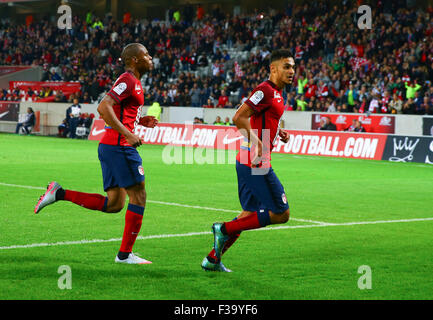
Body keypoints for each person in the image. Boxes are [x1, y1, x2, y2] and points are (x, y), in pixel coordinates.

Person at [34, 43, 158, 265]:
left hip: (111, 146)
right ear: (134, 60)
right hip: (120, 146)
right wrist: (129, 134)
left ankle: (59, 193)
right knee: (139, 195)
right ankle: (124, 255)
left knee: (114, 205)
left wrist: (140, 120)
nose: (151, 58)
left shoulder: (134, 82)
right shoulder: (127, 79)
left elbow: (120, 109)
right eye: (146, 55)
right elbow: (104, 107)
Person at [201, 49, 295, 272]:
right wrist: (258, 144)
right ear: (273, 69)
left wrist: (279, 132)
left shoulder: (278, 93)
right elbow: (238, 117)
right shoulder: (265, 90)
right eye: (286, 66)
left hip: (248, 161)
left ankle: (212, 260)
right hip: (255, 163)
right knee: (281, 213)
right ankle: (223, 228)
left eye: (292, 67)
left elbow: (259, 119)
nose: (292, 71)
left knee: (249, 214)